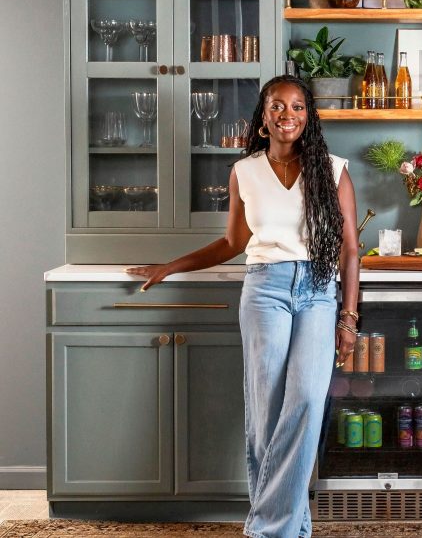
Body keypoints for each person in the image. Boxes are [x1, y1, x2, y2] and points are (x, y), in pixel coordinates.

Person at [127, 75, 359, 538]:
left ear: (308, 116)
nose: (287, 114)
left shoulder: (332, 170)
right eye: (278, 106)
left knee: (308, 400)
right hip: (264, 290)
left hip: (317, 288)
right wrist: (172, 266)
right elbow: (234, 242)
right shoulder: (244, 171)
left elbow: (351, 250)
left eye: (297, 106)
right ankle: (290, 528)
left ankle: (265, 528)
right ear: (263, 117)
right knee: (266, 411)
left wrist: (348, 318)